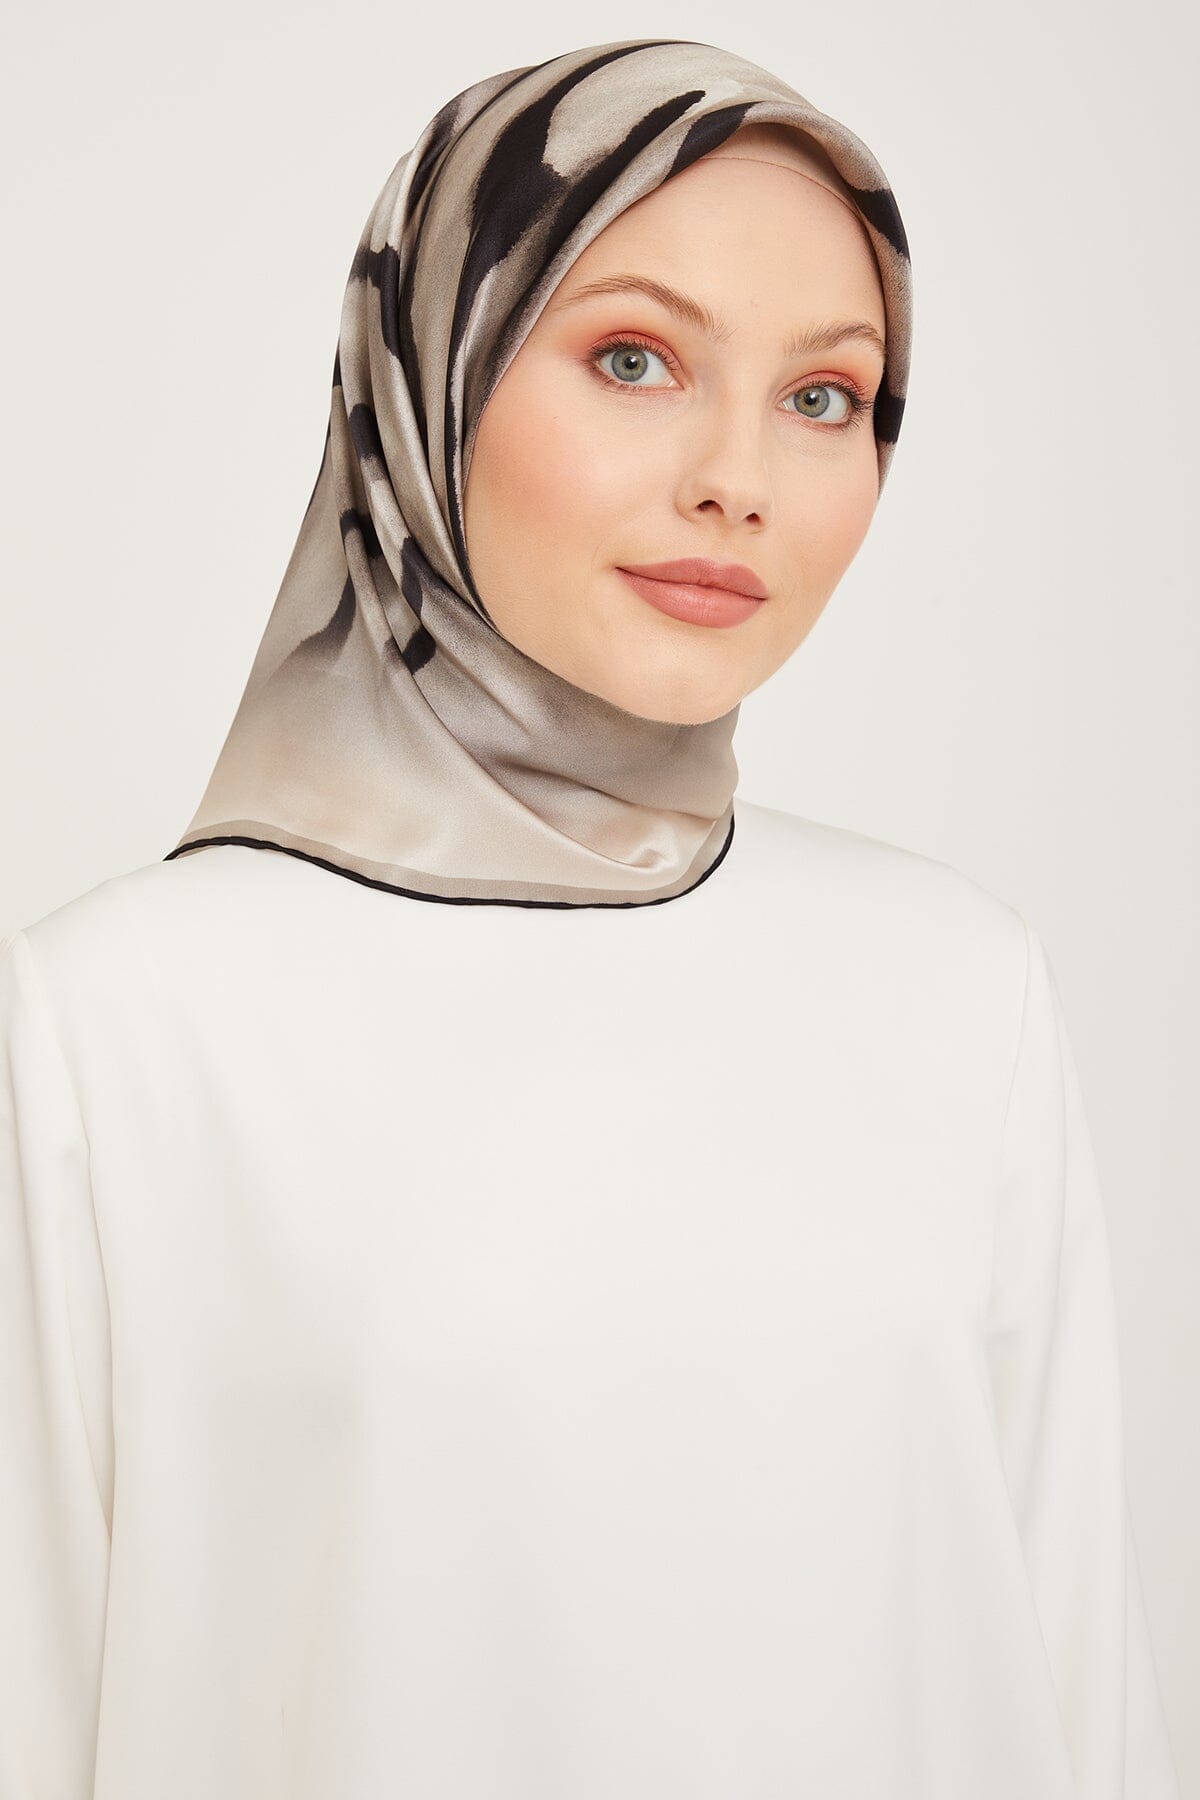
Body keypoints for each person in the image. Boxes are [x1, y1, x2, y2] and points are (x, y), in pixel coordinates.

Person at [0, 36, 1181, 1799]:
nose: (738, 478)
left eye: (825, 395)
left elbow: (1076, 1692)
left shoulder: (961, 990)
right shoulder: (116, 1029)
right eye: (635, 359)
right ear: (432, 369)